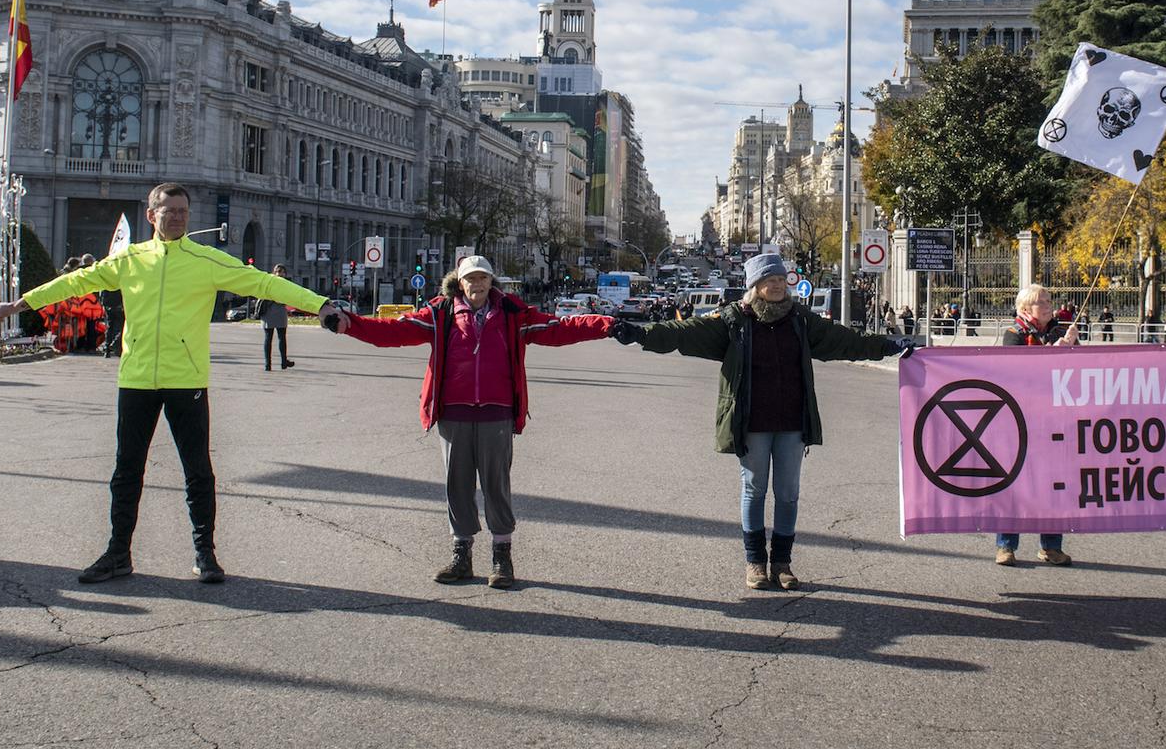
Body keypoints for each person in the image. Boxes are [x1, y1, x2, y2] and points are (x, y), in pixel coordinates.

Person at [0, 183, 325, 585]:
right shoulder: (128, 259)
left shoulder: (206, 259)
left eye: (183, 210)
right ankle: (118, 554)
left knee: (198, 471)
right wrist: (20, 303)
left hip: (186, 380)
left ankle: (205, 553)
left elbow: (265, 283)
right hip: (136, 379)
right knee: (126, 471)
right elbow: (76, 282)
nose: (178, 217)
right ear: (151, 215)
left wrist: (320, 304)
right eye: (169, 211)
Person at [613, 252, 905, 591]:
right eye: (770, 281)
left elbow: (844, 341)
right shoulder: (734, 320)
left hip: (792, 421)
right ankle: (755, 563)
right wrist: (641, 334)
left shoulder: (800, 320)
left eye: (781, 280)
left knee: (788, 493)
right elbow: (685, 332)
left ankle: (782, 563)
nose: (778, 285)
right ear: (756, 286)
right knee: (754, 490)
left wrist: (887, 345)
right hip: (752, 420)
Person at [318, 255, 613, 589]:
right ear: (460, 282)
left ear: (491, 282)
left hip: (496, 413)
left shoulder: (513, 315)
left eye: (483, 278)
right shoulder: (440, 314)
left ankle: (502, 557)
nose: (477, 285)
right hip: (453, 413)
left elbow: (558, 329)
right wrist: (348, 324)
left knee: (496, 487)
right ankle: (462, 554)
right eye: (471, 279)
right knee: (456, 485)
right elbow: (393, 331)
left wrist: (605, 325)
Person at [993, 284, 1072, 568]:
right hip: (1021, 420)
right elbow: (1018, 370)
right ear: (1026, 308)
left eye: (1049, 300)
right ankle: (1006, 546)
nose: (1049, 304)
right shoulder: (1013, 335)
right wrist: (1056, 350)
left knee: (1052, 484)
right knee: (1015, 483)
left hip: (1053, 419)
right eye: (1043, 301)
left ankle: (1051, 547)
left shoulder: (1059, 332)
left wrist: (1073, 347)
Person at [257, 263, 297, 371]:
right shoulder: (277, 283)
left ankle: (282, 362)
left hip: (277, 313)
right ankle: (268, 364)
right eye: (278, 271)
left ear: (285, 274)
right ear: (274, 272)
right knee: (270, 339)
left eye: (282, 272)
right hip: (271, 313)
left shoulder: (269, 282)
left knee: (280, 338)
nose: (280, 274)